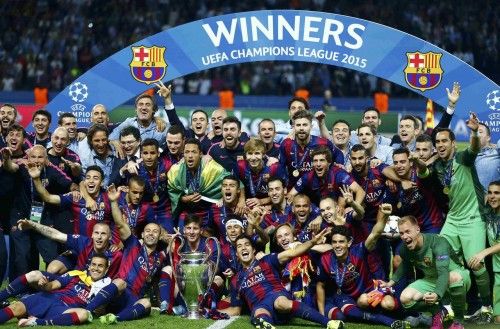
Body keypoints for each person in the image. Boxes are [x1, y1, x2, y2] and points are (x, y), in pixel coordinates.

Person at [430, 112, 493, 323]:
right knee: (440, 259)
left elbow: (474, 148)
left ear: (453, 143)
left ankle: (486, 306)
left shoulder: (462, 158)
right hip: (453, 219)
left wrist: (474, 131)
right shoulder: (437, 166)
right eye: (437, 142)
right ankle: (448, 306)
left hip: (473, 218)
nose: (440, 145)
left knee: (476, 263)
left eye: (444, 141)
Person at [221, 228, 344, 329]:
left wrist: (312, 242)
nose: (243, 248)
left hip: (276, 295)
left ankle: (328, 322)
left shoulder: (267, 260)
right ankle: (265, 324)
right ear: (237, 254)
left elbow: (293, 252)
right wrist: (210, 311)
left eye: (247, 245)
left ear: (253, 250)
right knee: (259, 314)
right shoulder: (235, 280)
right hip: (259, 305)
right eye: (239, 246)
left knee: (281, 303)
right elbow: (235, 310)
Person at [86, 185, 168, 323]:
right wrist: (113, 202)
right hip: (118, 293)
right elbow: (120, 224)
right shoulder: (133, 244)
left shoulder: (159, 258)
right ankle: (87, 310)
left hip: (133, 299)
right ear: (142, 234)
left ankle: (114, 318)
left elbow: (173, 248)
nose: (151, 234)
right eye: (148, 231)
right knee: (120, 282)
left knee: (146, 303)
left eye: (155, 231)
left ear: (160, 236)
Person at [316, 204, 407, 328]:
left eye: (341, 242)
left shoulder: (358, 251)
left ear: (349, 242)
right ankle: (385, 320)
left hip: (370, 290)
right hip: (346, 296)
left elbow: (375, 233)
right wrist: (322, 316)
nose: (337, 246)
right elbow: (320, 286)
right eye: (334, 242)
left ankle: (406, 313)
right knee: (353, 309)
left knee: (388, 304)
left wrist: (385, 216)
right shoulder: (325, 260)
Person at [381, 215, 471, 329]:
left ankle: (458, 321)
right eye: (402, 233)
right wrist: (390, 283)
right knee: (405, 298)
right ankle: (438, 312)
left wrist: (437, 294)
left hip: (456, 276)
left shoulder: (438, 242)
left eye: (408, 231)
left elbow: (443, 272)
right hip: (431, 280)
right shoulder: (405, 248)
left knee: (453, 277)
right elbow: (405, 264)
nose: (404, 236)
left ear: (417, 229)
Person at [2, 144, 74, 277]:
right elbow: (9, 167)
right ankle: (22, 291)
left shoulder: (51, 170)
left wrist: (76, 191)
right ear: (27, 158)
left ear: (46, 159)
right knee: (22, 256)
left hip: (43, 219)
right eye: (33, 157)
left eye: (40, 157)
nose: (36, 160)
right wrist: (7, 159)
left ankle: (52, 287)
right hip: (20, 217)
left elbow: (70, 183)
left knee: (51, 255)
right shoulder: (21, 167)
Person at [0, 254, 110, 327]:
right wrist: (45, 284)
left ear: (106, 269)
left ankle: (36, 322)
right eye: (94, 265)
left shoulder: (107, 286)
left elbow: (101, 309)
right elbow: (52, 286)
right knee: (15, 308)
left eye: (100, 266)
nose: (96, 268)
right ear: (89, 266)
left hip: (64, 309)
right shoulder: (76, 274)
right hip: (50, 297)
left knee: (83, 314)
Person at [168, 138, 230, 221]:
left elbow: (234, 182)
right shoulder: (176, 170)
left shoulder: (211, 168)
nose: (190, 156)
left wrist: (238, 200)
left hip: (209, 211)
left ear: (201, 154)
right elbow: (172, 190)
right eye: (187, 152)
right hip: (187, 212)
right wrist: (183, 198)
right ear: (183, 155)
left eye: (194, 152)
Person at [280, 110, 343, 189]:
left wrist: (339, 164)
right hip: (294, 189)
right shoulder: (286, 145)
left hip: (318, 189)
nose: (301, 128)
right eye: (298, 125)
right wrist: (284, 186)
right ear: (293, 127)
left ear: (311, 126)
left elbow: (338, 153)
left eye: (305, 125)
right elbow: (281, 169)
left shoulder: (322, 143)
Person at [288, 145, 365, 209]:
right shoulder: (308, 177)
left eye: (322, 160)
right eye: (315, 161)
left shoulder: (339, 174)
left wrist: (354, 207)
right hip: (321, 210)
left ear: (329, 163)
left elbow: (360, 191)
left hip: (341, 209)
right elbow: (290, 195)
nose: (318, 164)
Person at [469, 181, 500, 324]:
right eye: (490, 192)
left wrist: (484, 252)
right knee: (498, 319)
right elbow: (475, 188)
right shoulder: (488, 213)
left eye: (497, 193)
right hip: (498, 271)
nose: (492, 196)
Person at [80, 124, 118, 188]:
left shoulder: (117, 152)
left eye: (103, 140)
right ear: (91, 141)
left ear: (108, 139)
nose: (101, 144)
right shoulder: (86, 161)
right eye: (97, 140)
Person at [475, 123, 499, 191]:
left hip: (491, 199)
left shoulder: (496, 153)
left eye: (480, 132)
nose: (475, 135)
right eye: (473, 133)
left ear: (488, 138)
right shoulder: (464, 156)